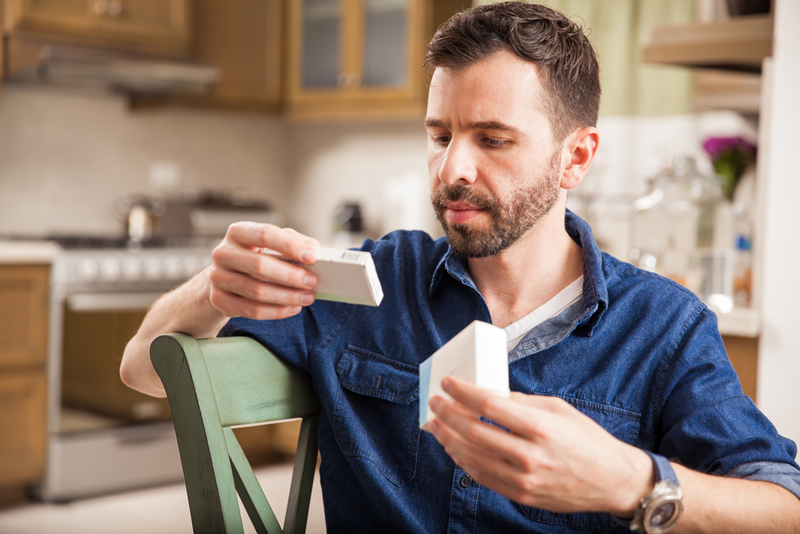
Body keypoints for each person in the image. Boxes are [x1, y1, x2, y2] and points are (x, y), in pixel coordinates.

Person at [121, 2, 800, 532]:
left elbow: (783, 506)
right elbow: (144, 369)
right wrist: (213, 289)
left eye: (493, 139)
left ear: (578, 157)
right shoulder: (368, 285)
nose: (453, 169)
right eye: (440, 135)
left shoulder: (663, 326)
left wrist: (632, 484)